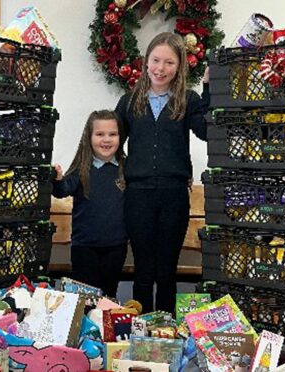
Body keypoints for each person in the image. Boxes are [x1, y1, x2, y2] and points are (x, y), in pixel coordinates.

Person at [115, 32, 210, 314]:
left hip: (174, 195)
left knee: (167, 268)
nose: (161, 68)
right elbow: (110, 142)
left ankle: (167, 330)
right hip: (138, 195)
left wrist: (209, 89)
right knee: (144, 268)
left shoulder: (188, 100)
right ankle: (141, 328)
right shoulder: (130, 101)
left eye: (169, 63)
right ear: (146, 62)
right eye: (156, 60)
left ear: (179, 66)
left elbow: (206, 132)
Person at [52, 110, 127, 298]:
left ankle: (104, 326)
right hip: (84, 247)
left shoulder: (126, 169)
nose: (106, 140)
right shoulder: (82, 169)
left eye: (112, 134)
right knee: (84, 297)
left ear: (121, 137)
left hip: (116, 246)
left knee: (109, 294)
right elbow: (62, 191)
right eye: (100, 134)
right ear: (89, 137)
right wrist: (58, 178)